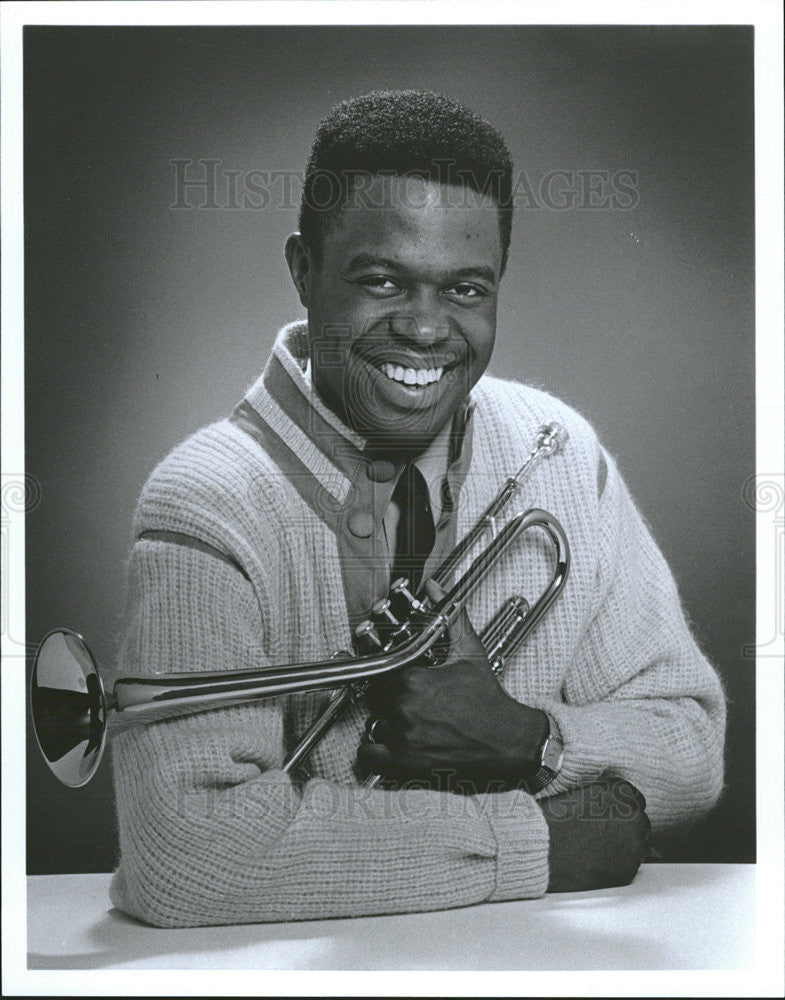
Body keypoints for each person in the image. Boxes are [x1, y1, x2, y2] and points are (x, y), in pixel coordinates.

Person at [109, 90, 725, 928]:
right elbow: (185, 855)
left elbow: (690, 751)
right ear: (303, 272)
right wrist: (535, 839)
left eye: (466, 289)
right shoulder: (206, 499)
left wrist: (522, 738)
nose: (428, 330)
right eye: (382, 281)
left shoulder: (556, 445)